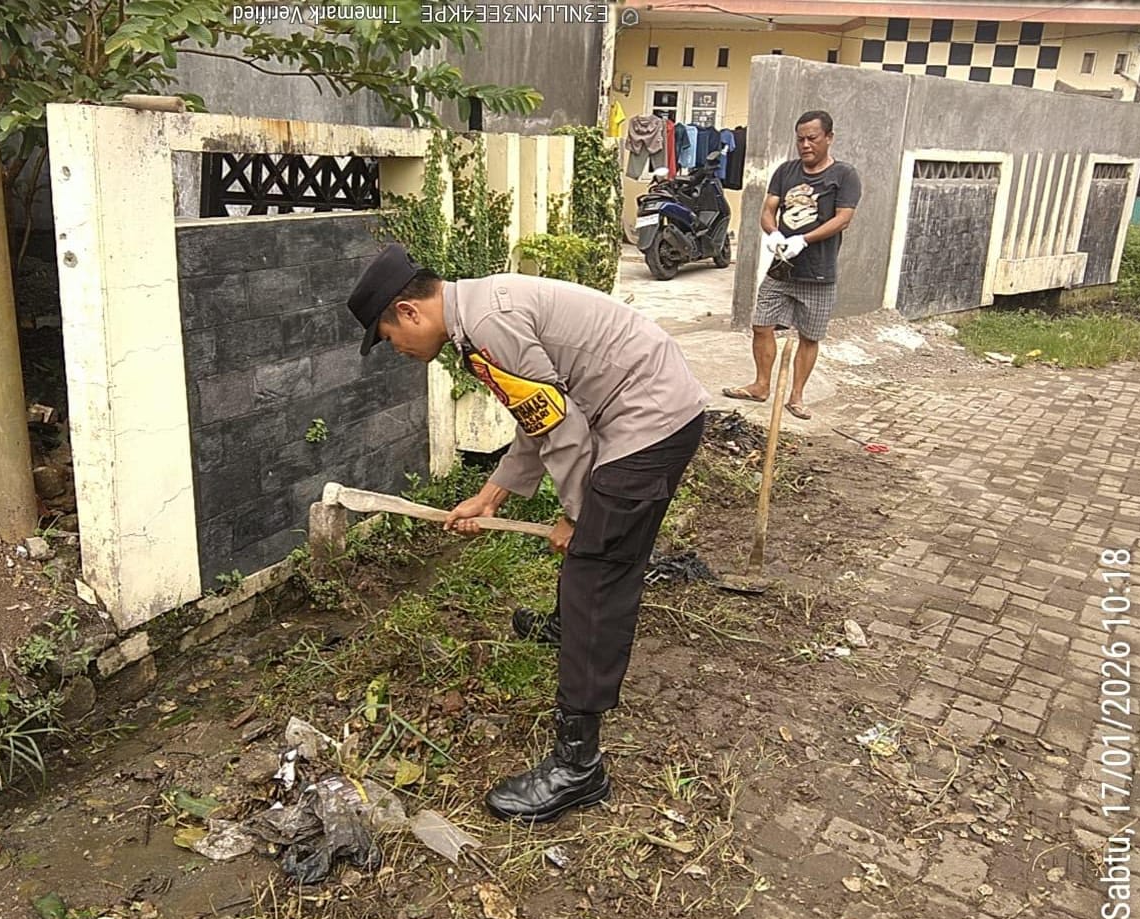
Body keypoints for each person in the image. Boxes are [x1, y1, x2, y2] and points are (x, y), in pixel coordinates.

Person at [346, 245, 708, 824]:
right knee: (596, 549)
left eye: (389, 338)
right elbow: (537, 415)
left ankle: (579, 766)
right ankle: (569, 626)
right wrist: (492, 495)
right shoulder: (478, 315)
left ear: (409, 311)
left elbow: (563, 430)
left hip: (648, 419)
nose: (397, 350)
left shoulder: (488, 326)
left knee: (597, 570)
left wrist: (577, 514)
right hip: (645, 405)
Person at [723, 109, 861, 420]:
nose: (805, 145)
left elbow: (843, 218)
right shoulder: (786, 171)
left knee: (809, 336)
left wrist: (804, 240)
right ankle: (761, 385)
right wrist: (773, 233)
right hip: (781, 269)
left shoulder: (844, 175)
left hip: (819, 272)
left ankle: (796, 397)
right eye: (800, 139)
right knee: (761, 325)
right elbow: (768, 209)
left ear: (829, 137)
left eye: (812, 138)